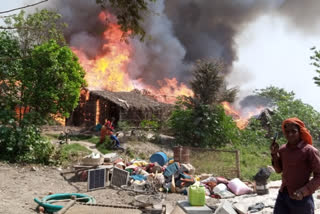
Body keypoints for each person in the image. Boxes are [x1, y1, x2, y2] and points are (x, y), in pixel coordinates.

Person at [270, 117, 320, 214]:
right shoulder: (283, 149)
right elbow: (278, 170)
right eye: (287, 131)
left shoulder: (309, 150)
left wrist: (304, 191)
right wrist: (274, 154)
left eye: (293, 131)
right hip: (283, 195)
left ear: (300, 132)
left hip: (302, 199)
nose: (290, 134)